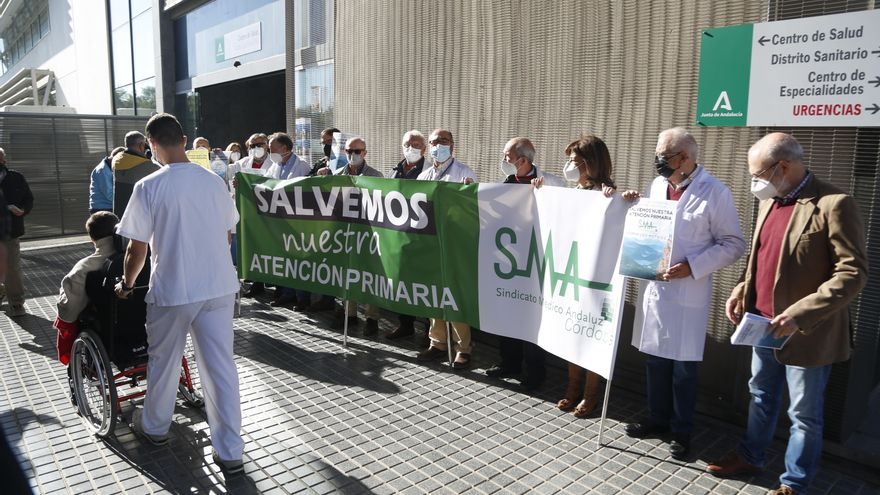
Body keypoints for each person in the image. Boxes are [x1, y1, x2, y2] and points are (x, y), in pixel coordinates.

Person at [706, 133, 868, 495]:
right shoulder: (770, 201)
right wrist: (741, 288)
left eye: (759, 174)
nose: (755, 183)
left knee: (804, 416)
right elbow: (760, 258)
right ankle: (751, 455)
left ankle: (794, 482)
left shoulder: (833, 203)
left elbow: (853, 272)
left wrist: (801, 313)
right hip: (762, 324)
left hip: (808, 332)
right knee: (760, 395)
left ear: (784, 166)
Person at [114, 113, 245, 473]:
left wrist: (126, 285)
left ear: (152, 144)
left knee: (164, 361)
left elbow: (135, 250)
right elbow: (227, 234)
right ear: (184, 140)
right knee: (220, 367)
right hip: (218, 287)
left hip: (173, 290)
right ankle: (231, 451)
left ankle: (155, 428)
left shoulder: (149, 186)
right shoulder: (214, 182)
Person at [623, 127, 746, 459]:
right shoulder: (657, 186)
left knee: (683, 368)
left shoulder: (715, 192)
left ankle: (682, 430)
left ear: (685, 158)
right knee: (655, 360)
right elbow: (651, 228)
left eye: (663, 156)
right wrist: (633, 207)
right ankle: (656, 418)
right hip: (657, 288)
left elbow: (734, 244)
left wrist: (694, 266)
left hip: (687, 292)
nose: (658, 161)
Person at [536, 134, 615, 412]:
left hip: (594, 277)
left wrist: (613, 201)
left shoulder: (605, 194)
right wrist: (542, 193)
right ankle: (572, 387)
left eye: (575, 161)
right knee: (573, 332)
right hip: (569, 272)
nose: (569, 166)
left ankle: (591, 394)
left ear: (590, 163)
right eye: (569, 160)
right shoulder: (573, 194)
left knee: (591, 333)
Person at [485, 137, 565, 391]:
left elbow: (566, 213)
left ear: (523, 159)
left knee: (531, 317)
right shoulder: (506, 183)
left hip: (536, 260)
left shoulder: (551, 182)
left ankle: (535, 372)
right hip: (509, 260)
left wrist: (546, 196)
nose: (504, 160)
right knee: (507, 312)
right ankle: (509, 363)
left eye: (507, 156)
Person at [416, 128, 476, 369]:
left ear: (452, 145)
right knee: (433, 294)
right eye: (433, 142)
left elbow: (471, 208)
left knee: (454, 296)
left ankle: (463, 348)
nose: (437, 145)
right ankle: (437, 342)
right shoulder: (425, 176)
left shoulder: (464, 173)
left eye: (443, 141)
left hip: (454, 244)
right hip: (430, 243)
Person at [317, 137, 384, 335]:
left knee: (370, 275)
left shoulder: (376, 176)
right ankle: (350, 314)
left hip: (369, 234)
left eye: (357, 151)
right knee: (347, 274)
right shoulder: (338, 174)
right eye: (349, 151)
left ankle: (372, 318)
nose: (352, 155)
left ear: (365, 153)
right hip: (345, 234)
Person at [53, 212, 119, 365]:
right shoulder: (136, 258)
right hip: (137, 321)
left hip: (105, 326)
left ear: (92, 239)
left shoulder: (84, 268)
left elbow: (69, 311)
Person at [384, 130, 429, 340]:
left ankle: (431, 333)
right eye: (407, 144)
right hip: (400, 235)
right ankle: (405, 324)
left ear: (424, 149)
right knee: (401, 280)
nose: (411, 148)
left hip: (424, 236)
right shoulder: (395, 170)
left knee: (427, 284)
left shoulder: (429, 170)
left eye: (417, 145)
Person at [264, 132, 311, 308]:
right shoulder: (275, 165)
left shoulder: (302, 166)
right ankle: (288, 293)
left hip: (297, 221)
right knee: (285, 259)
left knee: (299, 260)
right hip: (279, 220)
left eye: (273, 148)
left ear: (284, 148)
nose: (270, 151)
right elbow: (263, 182)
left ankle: (303, 298)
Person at [230, 133, 276, 297]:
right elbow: (227, 180)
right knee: (252, 246)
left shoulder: (275, 163)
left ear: (267, 146)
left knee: (267, 245)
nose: (255, 148)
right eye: (251, 146)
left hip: (267, 213)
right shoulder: (241, 164)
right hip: (248, 211)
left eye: (259, 144)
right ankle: (256, 281)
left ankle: (269, 280)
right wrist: (234, 183)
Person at [0, 148, 34, 317]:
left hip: (10, 231)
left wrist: (23, 209)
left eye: (2, 158)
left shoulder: (16, 177)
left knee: (12, 267)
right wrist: (6, 207)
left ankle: (16, 302)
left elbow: (29, 198)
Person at [112, 131, 159, 217]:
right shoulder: (148, 166)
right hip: (137, 216)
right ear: (141, 145)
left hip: (120, 213)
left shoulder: (116, 161)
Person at [89, 147, 125, 214]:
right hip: (102, 210)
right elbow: (109, 195)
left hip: (106, 208)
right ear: (117, 158)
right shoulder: (102, 170)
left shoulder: (109, 168)